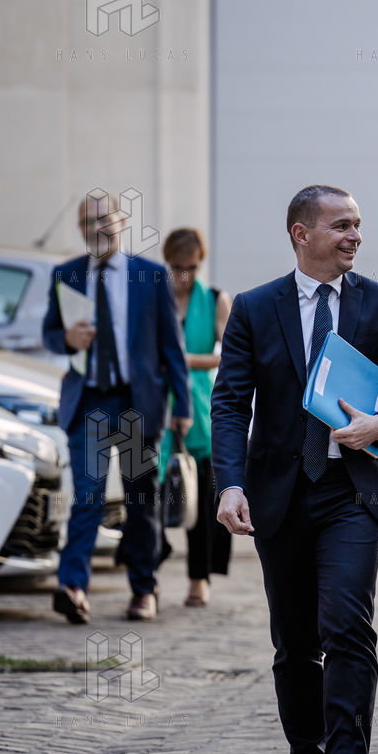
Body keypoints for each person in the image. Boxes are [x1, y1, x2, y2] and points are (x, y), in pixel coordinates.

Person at [211, 185, 378, 754]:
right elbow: (230, 404)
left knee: (347, 627)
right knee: (296, 642)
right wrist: (230, 483)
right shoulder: (254, 307)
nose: (355, 236)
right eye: (341, 225)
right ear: (301, 234)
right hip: (278, 498)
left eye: (358, 225)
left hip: (350, 493)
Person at [42, 191, 191, 623]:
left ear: (121, 222)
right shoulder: (67, 274)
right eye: (89, 222)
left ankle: (144, 589)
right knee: (87, 497)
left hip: (134, 405)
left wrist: (182, 405)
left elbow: (172, 348)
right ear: (80, 229)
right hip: (89, 403)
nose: (98, 228)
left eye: (104, 219)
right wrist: (66, 339)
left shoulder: (150, 276)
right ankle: (73, 587)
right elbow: (50, 333)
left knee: (140, 500)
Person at [159, 228, 232, 607]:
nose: (183, 275)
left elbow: (230, 354)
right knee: (148, 491)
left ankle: (199, 577)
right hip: (158, 403)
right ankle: (150, 563)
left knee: (201, 495)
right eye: (176, 267)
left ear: (200, 263)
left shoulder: (216, 300)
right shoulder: (155, 297)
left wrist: (183, 360)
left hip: (200, 407)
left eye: (190, 267)